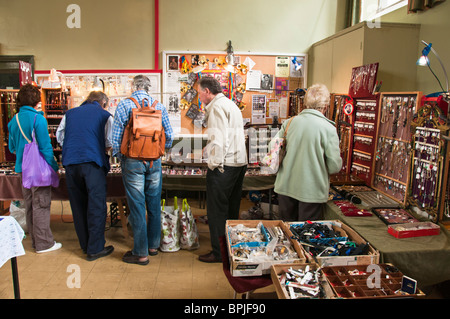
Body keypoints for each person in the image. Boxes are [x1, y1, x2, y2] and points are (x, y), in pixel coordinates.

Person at [111, 75, 174, 265]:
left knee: (137, 206)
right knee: (154, 203)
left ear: (133, 86)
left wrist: (122, 157)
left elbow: (115, 139)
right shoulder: (159, 106)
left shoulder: (124, 105)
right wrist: (158, 151)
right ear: (149, 88)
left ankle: (140, 253)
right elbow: (169, 136)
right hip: (154, 161)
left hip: (133, 161)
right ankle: (154, 246)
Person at [56, 91, 114, 261]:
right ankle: (95, 249)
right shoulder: (104, 115)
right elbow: (109, 141)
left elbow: (60, 137)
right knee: (96, 205)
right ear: (103, 103)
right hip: (92, 163)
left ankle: (85, 245)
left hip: (71, 163)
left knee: (78, 205)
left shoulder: (70, 113)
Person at [270, 83, 342, 221]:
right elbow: (334, 166)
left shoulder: (290, 123)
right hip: (311, 191)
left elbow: (273, 147)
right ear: (326, 106)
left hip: (285, 186)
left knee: (286, 230)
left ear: (305, 103)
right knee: (306, 235)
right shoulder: (328, 128)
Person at [197, 76, 247, 263]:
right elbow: (228, 135)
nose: (199, 96)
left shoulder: (216, 107)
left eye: (199, 92)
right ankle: (230, 249)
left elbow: (220, 140)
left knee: (217, 211)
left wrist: (213, 164)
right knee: (231, 209)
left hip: (224, 166)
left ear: (207, 92)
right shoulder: (230, 104)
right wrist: (209, 146)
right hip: (238, 163)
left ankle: (219, 253)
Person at [8, 84, 62, 253]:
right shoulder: (38, 119)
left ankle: (34, 241)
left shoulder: (13, 121)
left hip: (22, 170)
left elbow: (11, 148)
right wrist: (54, 167)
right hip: (37, 170)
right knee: (41, 204)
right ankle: (44, 244)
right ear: (37, 100)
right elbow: (46, 148)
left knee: (30, 205)